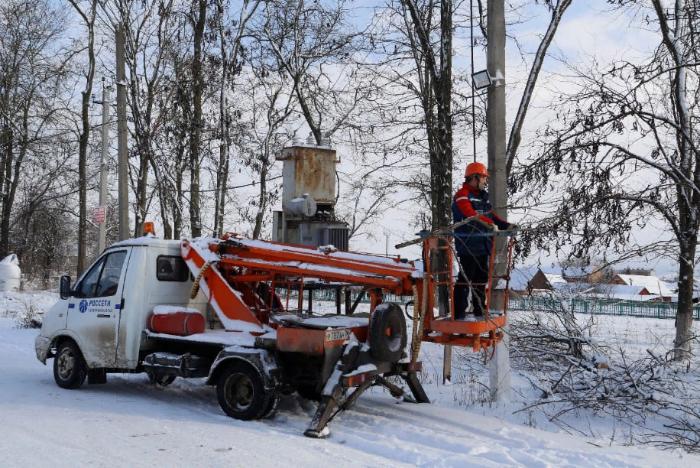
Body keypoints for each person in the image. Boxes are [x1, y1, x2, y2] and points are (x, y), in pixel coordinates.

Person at [452, 162, 515, 319]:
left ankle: (479, 309)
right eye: (483, 178)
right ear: (474, 178)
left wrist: (506, 225)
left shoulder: (482, 198)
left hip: (483, 245)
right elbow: (470, 214)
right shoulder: (462, 195)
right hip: (468, 246)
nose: (485, 182)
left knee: (481, 277)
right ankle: (458, 312)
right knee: (466, 277)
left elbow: (491, 216)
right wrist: (489, 225)